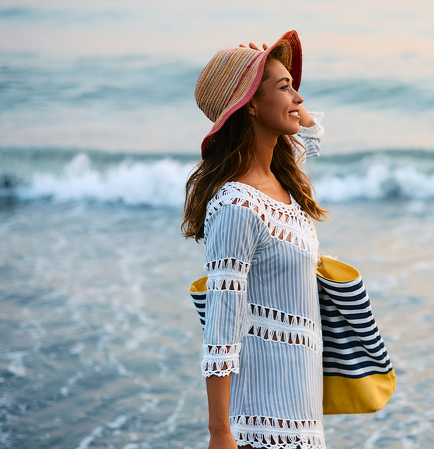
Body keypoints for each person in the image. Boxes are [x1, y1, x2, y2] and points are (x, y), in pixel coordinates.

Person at [181, 30, 329, 449]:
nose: (298, 99)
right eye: (285, 88)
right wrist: (220, 434)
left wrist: (270, 75)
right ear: (249, 107)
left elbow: (314, 136)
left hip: (302, 422)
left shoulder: (279, 182)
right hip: (259, 430)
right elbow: (221, 332)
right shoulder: (236, 204)